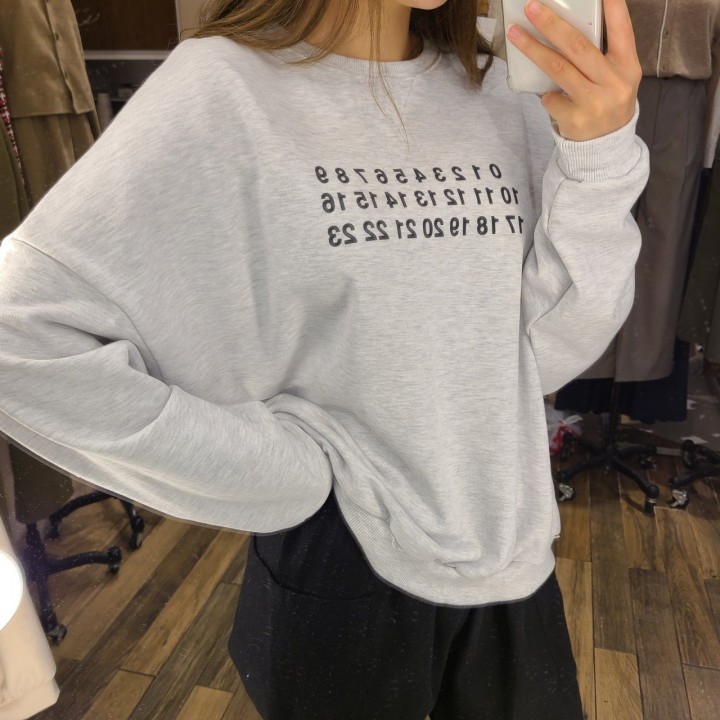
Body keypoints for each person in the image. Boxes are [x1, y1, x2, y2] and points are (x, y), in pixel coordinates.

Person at [0, 0, 646, 718]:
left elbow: (539, 352)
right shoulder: (221, 88)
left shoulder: (500, 91)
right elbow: (16, 336)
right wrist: (282, 473)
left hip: (510, 548)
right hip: (344, 557)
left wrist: (601, 155)